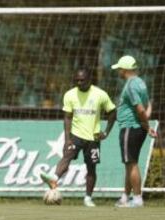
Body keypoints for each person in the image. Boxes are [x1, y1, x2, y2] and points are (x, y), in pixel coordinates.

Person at [40, 68, 116, 207]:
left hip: (93, 138)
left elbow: (112, 112)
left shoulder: (100, 94)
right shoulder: (69, 95)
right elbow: (67, 117)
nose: (79, 83)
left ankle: (88, 198)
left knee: (91, 168)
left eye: (82, 80)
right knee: (67, 156)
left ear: (89, 80)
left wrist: (106, 132)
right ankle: (54, 178)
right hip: (76, 135)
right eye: (77, 80)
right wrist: (67, 139)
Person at [111, 55, 157, 207]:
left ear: (124, 70)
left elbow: (141, 110)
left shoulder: (130, 86)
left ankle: (137, 199)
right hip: (137, 128)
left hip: (130, 128)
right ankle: (125, 197)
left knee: (131, 163)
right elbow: (148, 105)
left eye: (119, 69)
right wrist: (147, 127)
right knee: (129, 164)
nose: (118, 71)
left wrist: (146, 123)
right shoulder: (141, 83)